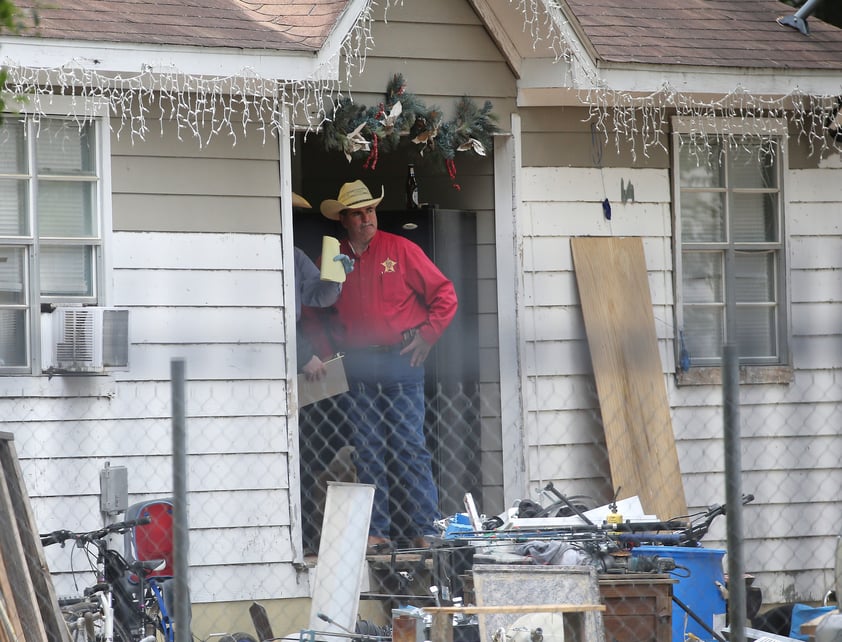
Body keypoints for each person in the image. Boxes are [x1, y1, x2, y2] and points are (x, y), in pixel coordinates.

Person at [320, 179, 458, 552]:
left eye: (370, 210)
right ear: (344, 219)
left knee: (409, 445)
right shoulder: (333, 258)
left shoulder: (401, 249)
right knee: (368, 448)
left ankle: (425, 529)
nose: (366, 218)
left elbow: (445, 294)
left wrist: (428, 335)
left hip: (401, 359)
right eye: (358, 213)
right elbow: (318, 310)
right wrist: (323, 352)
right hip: (359, 362)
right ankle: (376, 531)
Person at [292, 192, 353, 381]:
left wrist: (336, 276)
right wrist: (303, 355)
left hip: (289, 344)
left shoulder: (295, 255)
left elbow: (318, 297)